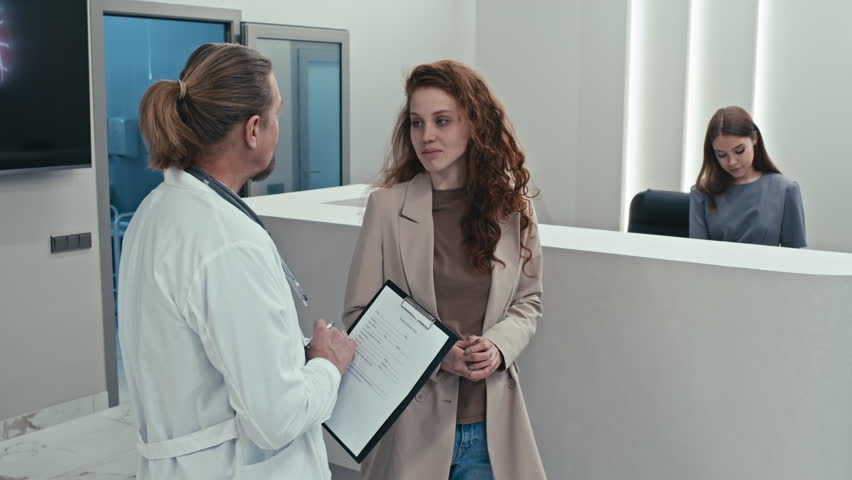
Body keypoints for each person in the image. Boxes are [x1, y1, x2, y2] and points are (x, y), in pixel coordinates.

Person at [118, 43, 355, 479]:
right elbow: (275, 419)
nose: (278, 129)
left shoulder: (157, 210)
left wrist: (292, 354)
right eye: (276, 114)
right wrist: (327, 364)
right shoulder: (228, 242)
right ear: (253, 129)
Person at [343, 60, 546, 480]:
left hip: (492, 431)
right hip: (411, 434)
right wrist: (437, 356)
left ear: (473, 124)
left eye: (442, 121)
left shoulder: (513, 211)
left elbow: (528, 302)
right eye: (417, 123)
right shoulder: (386, 208)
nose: (427, 136)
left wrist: (498, 346)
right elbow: (360, 317)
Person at [689, 106, 806, 247]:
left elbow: (795, 256)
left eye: (739, 151)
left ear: (754, 138)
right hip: (716, 269)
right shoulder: (702, 193)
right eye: (722, 155)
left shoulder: (785, 190)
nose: (732, 162)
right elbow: (698, 256)